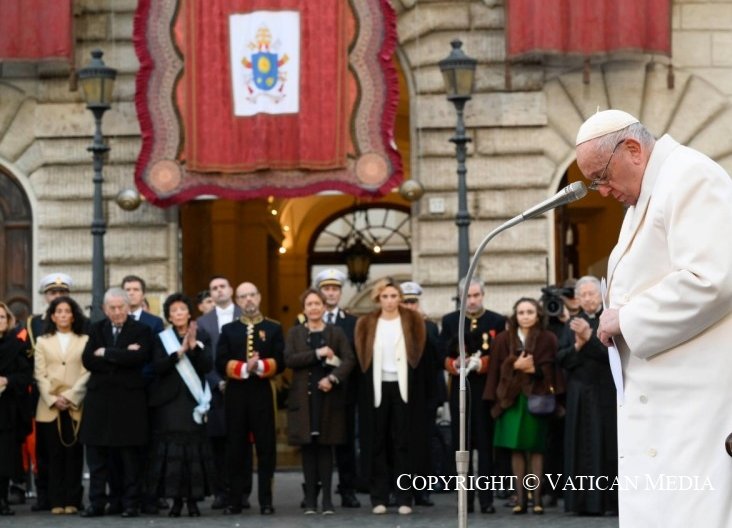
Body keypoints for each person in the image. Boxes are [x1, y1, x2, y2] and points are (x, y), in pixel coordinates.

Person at [574, 109, 732, 527]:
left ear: (633, 149)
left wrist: (624, 320)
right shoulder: (654, 189)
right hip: (667, 404)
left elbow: (715, 278)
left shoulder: (691, 177)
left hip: (693, 407)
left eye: (601, 176)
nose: (603, 192)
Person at [354, 278, 430, 516]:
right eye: (385, 296)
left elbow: (418, 353)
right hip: (376, 387)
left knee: (402, 442)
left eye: (393, 296)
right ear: (378, 298)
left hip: (404, 387)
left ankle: (404, 496)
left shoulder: (413, 320)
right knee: (377, 442)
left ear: (400, 298)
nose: (389, 301)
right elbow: (362, 356)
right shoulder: (366, 323)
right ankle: (379, 496)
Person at [79, 288, 154, 518]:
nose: (117, 311)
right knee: (98, 456)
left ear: (128, 307)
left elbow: (139, 358)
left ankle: (130, 503)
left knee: (129, 457)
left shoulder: (142, 330)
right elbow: (88, 360)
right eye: (112, 308)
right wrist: (121, 355)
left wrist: (108, 353)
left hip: (128, 403)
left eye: (121, 306)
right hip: (99, 402)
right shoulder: (96, 328)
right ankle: (97, 502)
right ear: (104, 309)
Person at [483, 297, 561, 515]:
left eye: (530, 312)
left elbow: (552, 370)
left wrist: (532, 369)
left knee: (536, 449)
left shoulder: (548, 338)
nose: (525, 316)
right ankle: (520, 499)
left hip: (537, 400)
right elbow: (496, 372)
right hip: (511, 401)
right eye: (521, 312)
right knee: (516, 449)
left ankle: (537, 499)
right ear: (515, 316)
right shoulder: (502, 339)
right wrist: (514, 365)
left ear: (537, 315)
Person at [215, 282, 284, 515]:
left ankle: (266, 500)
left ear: (260, 297)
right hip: (236, 394)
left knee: (266, 448)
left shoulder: (273, 328)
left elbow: (281, 361)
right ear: (237, 301)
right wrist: (245, 367)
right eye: (243, 296)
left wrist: (261, 365)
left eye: (252, 295)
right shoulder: (229, 330)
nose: (248, 300)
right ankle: (235, 500)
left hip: (263, 392)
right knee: (235, 447)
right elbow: (220, 362)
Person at [285, 288, 355, 514]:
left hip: (328, 397)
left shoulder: (336, 332)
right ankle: (311, 501)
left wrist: (333, 378)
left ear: (324, 307)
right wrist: (317, 353)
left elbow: (349, 360)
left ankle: (327, 501)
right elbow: (290, 359)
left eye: (317, 304)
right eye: (309, 304)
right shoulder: (295, 333)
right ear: (304, 309)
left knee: (326, 448)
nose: (314, 308)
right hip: (303, 400)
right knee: (308, 449)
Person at [439, 277, 505, 514]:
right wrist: (454, 363)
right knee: (461, 446)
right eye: (468, 296)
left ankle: (486, 500)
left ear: (483, 295)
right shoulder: (449, 321)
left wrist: (482, 363)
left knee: (485, 447)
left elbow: (500, 355)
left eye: (476, 295)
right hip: (459, 391)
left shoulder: (496, 320)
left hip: (486, 391)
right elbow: (441, 354)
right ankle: (463, 500)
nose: (473, 300)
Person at [147, 293, 214, 517]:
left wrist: (194, 347)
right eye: (173, 311)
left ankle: (193, 502)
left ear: (188, 313)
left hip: (193, 402)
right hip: (169, 404)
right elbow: (158, 367)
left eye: (182, 309)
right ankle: (175, 501)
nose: (178, 314)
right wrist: (179, 353)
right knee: (172, 453)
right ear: (168, 315)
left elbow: (207, 366)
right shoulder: (162, 338)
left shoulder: (201, 335)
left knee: (192, 453)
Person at [557, 275, 617, 515]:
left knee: (607, 446)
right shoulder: (570, 323)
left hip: (605, 392)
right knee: (579, 446)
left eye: (592, 294)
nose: (588, 299)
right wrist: (578, 345)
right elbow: (561, 359)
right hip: (579, 394)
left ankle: (610, 503)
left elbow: (611, 355)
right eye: (583, 295)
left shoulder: (609, 320)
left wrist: (589, 338)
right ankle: (581, 502)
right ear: (578, 299)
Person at [306, 268, 361, 508]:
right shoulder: (305, 322)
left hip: (343, 392)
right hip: (314, 390)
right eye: (326, 289)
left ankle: (347, 489)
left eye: (335, 289)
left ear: (340, 292)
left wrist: (336, 374)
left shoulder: (352, 322)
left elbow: (355, 357)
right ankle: (313, 491)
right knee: (316, 443)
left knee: (345, 442)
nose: (331, 293)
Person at [33, 296, 89, 515]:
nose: (63, 315)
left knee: (74, 454)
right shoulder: (42, 341)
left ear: (73, 315)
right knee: (52, 454)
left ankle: (73, 499)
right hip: (49, 406)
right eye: (59, 311)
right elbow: (40, 374)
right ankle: (54, 499)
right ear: (53, 316)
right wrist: (53, 398)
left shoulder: (84, 340)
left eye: (67, 311)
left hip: (74, 404)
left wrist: (71, 395)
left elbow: (87, 371)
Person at [24, 272, 75, 512]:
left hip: (70, 397)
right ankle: (44, 495)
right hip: (41, 394)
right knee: (43, 449)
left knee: (68, 446)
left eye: (62, 293)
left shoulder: (75, 322)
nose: (57, 297)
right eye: (53, 293)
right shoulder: (32, 323)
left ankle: (68, 495)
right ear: (45, 296)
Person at [196, 276, 244, 509]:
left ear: (231, 290)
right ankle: (221, 492)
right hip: (216, 390)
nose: (218, 291)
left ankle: (242, 492)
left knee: (241, 442)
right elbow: (204, 358)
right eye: (214, 288)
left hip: (243, 386)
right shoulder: (202, 323)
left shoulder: (245, 316)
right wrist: (217, 382)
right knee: (217, 443)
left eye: (222, 286)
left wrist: (238, 378)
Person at [400, 280, 441, 507]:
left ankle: (421, 489)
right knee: (399, 441)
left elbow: (438, 358)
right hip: (400, 394)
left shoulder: (431, 327)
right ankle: (400, 487)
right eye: (405, 302)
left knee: (423, 443)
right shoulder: (393, 325)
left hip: (424, 395)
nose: (409, 306)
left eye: (413, 302)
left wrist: (423, 326)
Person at [0, 302, 32, 516]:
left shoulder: (16, 345)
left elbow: (26, 376)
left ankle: (2, 498)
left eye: (2, 317)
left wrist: (7, 380)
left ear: (8, 320)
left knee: (4, 457)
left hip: (7, 411)